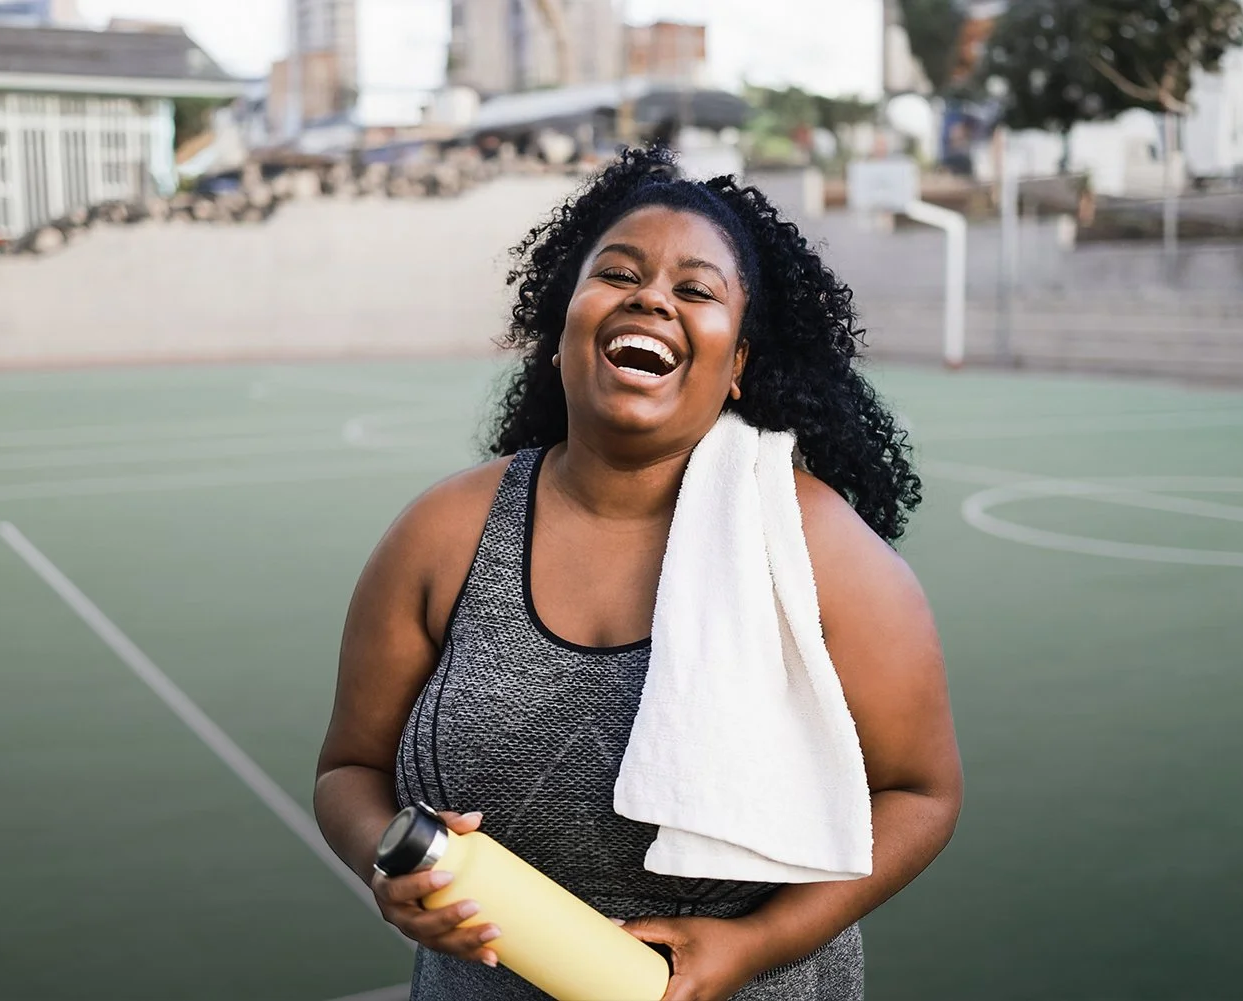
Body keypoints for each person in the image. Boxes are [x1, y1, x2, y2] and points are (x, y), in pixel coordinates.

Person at [313, 146, 963, 1001]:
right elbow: (347, 771)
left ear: (737, 368)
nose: (652, 295)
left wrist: (755, 941)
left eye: (696, 289)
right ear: (562, 330)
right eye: (618, 274)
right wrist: (388, 865)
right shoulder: (444, 533)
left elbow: (921, 791)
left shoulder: (817, 550)